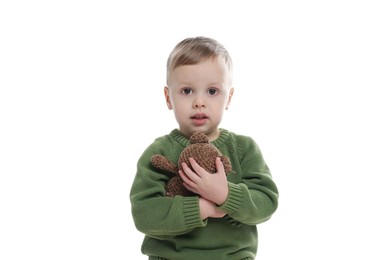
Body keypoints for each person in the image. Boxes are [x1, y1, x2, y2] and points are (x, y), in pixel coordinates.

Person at [130, 36, 279, 260]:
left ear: (228, 97)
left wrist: (226, 194)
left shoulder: (244, 148)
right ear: (168, 97)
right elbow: (144, 215)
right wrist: (202, 208)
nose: (199, 102)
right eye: (187, 91)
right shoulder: (158, 153)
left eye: (212, 91)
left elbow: (266, 203)